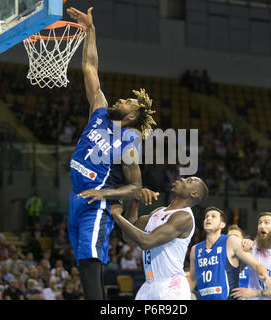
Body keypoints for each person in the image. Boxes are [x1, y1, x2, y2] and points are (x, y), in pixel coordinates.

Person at [66, 5, 157, 300]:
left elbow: (136, 187)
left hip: (98, 206)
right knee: (83, 264)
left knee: (91, 261)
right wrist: (90, 31)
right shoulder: (100, 110)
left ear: (132, 117)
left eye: (129, 101)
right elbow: (90, 67)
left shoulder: (130, 141)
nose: (122, 98)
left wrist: (103, 195)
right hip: (76, 198)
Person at [110, 177, 209, 300]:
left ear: (194, 193)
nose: (182, 179)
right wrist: (135, 200)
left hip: (171, 286)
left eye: (188, 181)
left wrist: (116, 215)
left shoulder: (184, 217)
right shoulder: (159, 212)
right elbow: (128, 235)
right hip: (149, 286)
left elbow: (147, 242)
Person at [188, 208, 271, 300]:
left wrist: (265, 275)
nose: (208, 218)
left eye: (213, 216)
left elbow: (255, 264)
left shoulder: (230, 241)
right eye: (206, 216)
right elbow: (192, 280)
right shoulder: (195, 249)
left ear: (222, 224)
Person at [230, 212, 271, 300]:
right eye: (259, 222)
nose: (262, 226)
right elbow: (235, 271)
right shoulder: (250, 247)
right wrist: (242, 246)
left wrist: (254, 293)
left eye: (266, 222)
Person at [227, 224, 250, 288]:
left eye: (236, 237)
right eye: (229, 237)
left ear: (244, 240)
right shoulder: (220, 262)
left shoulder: (253, 259)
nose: (232, 241)